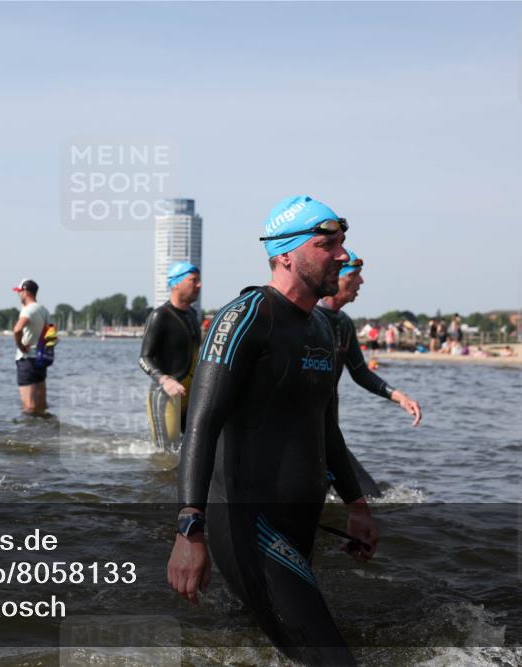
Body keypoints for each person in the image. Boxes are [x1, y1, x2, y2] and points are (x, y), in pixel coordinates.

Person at [168, 195, 378, 666]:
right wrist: (189, 531)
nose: (342, 255)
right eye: (327, 245)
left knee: (271, 649)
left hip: (298, 523)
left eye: (342, 243)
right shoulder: (244, 318)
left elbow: (327, 426)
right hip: (249, 524)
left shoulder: (322, 327)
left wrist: (357, 504)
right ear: (285, 254)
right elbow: (200, 424)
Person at [317, 251, 423, 496]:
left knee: (371, 498)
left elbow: (360, 372)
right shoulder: (309, 318)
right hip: (304, 433)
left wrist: (400, 397)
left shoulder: (344, 323)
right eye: (354, 275)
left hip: (329, 432)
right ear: (334, 276)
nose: (361, 282)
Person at [138, 262, 202, 450]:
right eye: (193, 280)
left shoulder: (192, 314)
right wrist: (165, 380)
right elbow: (144, 358)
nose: (199, 285)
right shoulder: (160, 316)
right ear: (176, 284)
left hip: (189, 396)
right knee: (166, 456)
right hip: (166, 396)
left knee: (194, 449)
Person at [12, 279, 49, 415]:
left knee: (29, 407)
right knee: (41, 405)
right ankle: (43, 427)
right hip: (41, 359)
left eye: (19, 291)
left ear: (25, 292)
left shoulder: (28, 310)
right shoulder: (43, 310)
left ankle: (28, 428)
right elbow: (52, 335)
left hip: (27, 360)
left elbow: (17, 329)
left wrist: (21, 346)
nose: (18, 294)